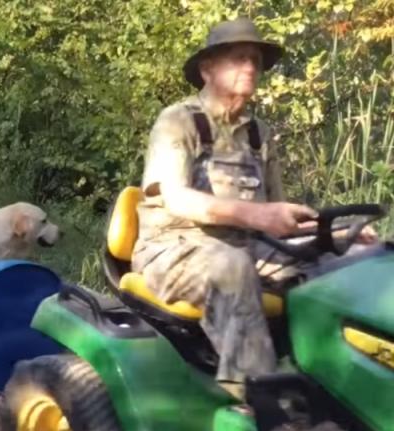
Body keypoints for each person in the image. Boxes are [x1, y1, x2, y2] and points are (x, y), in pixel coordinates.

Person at [132, 18, 377, 401]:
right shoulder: (178, 121)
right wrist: (256, 216)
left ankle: (337, 389)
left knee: (350, 263)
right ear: (207, 69)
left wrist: (338, 234)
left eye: (255, 61)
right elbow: (176, 197)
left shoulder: (260, 134)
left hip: (249, 245)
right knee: (231, 267)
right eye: (238, 58)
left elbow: (278, 217)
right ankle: (263, 407)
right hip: (173, 248)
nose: (250, 67)